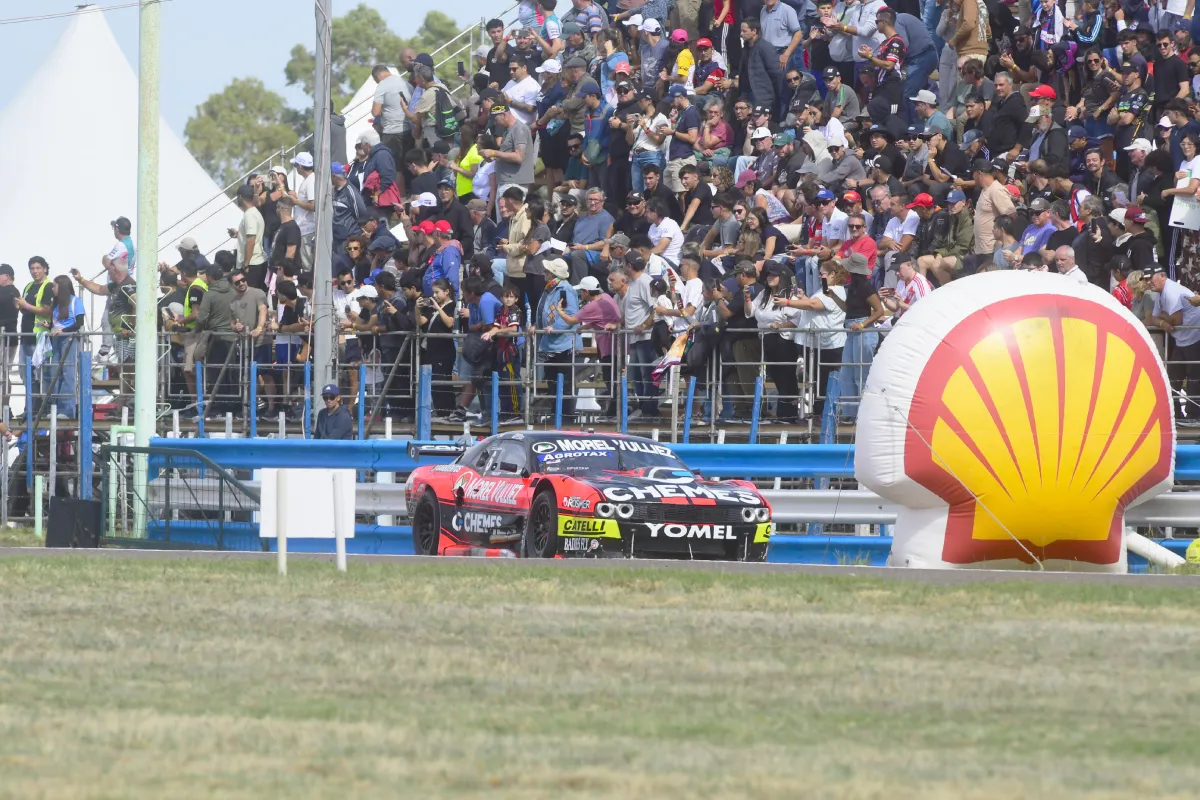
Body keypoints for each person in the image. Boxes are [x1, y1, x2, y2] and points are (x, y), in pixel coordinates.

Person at [1146, 264, 1200, 412]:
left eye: (1151, 278)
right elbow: (1152, 318)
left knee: (1194, 378)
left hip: (1194, 337)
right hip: (1182, 339)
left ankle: (1193, 415)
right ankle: (1175, 415)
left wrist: (1163, 317)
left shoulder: (1171, 291)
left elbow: (1177, 320)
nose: (1148, 282)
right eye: (1146, 279)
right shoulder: (1160, 292)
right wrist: (1163, 321)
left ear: (1163, 276)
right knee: (1172, 378)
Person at [532, 257, 580, 422]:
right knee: (553, 381)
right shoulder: (550, 289)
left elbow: (572, 315)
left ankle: (565, 416)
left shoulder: (564, 290)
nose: (544, 273)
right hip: (551, 343)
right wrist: (535, 324)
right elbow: (543, 312)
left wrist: (556, 328)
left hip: (564, 343)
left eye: (547, 271)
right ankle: (556, 414)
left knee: (564, 382)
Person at [46, 275, 84, 419]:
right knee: (55, 372)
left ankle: (67, 410)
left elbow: (79, 322)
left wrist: (64, 331)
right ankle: (55, 408)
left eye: (54, 286)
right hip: (56, 339)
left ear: (61, 287)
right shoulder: (56, 304)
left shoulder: (75, 301)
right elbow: (57, 323)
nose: (52, 288)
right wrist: (49, 326)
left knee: (68, 372)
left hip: (68, 339)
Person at [288, 152, 317, 271]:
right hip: (305, 229)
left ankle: (311, 287)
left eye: (296, 165)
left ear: (300, 166)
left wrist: (296, 201)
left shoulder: (310, 181)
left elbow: (313, 205)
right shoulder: (309, 180)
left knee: (308, 265)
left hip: (308, 229)